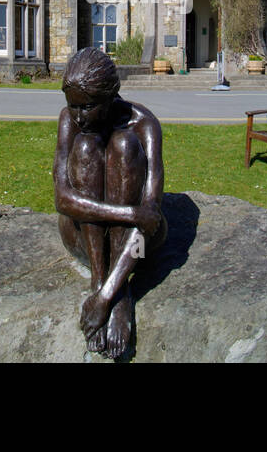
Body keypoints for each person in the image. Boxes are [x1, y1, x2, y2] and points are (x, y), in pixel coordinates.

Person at [53, 47, 166, 358]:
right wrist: (130, 213)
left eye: (87, 107)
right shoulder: (70, 120)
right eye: (72, 107)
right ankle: (103, 281)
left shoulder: (144, 125)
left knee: (124, 144)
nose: (78, 116)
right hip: (82, 235)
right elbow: (62, 198)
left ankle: (114, 290)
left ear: (111, 97)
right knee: (87, 146)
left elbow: (152, 217)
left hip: (138, 242)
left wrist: (104, 300)